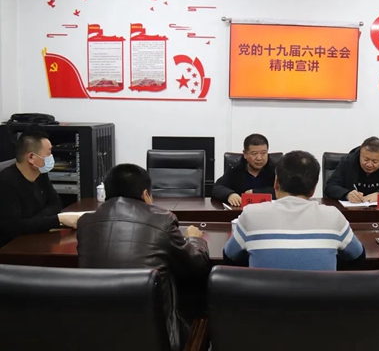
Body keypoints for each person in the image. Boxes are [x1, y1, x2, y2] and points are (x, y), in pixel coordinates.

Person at [77, 163, 210, 351]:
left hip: (97, 335)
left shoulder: (85, 222)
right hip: (159, 339)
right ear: (146, 194)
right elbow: (198, 264)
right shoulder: (162, 219)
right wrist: (194, 239)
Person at [223, 150, 365, 270]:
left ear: (276, 183)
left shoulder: (251, 214)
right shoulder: (333, 216)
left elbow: (229, 256)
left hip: (265, 295)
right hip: (320, 295)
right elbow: (358, 256)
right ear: (313, 189)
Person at [0, 130, 80, 248]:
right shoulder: (6, 182)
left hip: (35, 238)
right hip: (12, 248)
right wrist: (57, 220)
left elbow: (56, 203)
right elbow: (13, 227)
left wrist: (34, 221)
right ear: (31, 157)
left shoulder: (40, 174)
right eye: (48, 153)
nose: (51, 157)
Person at [324, 136, 379, 202]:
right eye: (365, 159)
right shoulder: (348, 162)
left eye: (375, 161)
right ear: (360, 154)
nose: (369, 165)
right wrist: (346, 194)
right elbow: (329, 187)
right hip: (351, 212)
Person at [213, 133, 276, 207]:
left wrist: (255, 193)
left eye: (263, 153)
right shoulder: (236, 169)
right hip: (240, 211)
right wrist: (229, 194)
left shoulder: (276, 169)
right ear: (245, 154)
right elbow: (217, 187)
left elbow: (285, 191)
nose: (259, 158)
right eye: (254, 154)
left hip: (269, 211)